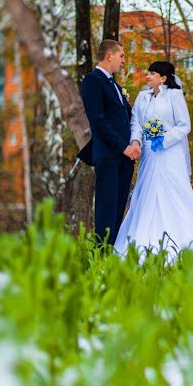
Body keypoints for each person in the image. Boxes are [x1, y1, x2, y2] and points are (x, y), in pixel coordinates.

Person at [114, 61, 193, 262]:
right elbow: (136, 121)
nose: (147, 76)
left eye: (152, 73)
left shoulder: (174, 95)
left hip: (171, 154)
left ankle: (186, 241)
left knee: (174, 193)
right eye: (148, 73)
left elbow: (184, 126)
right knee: (146, 193)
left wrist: (163, 139)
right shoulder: (142, 97)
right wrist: (136, 140)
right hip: (150, 154)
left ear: (163, 78)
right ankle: (144, 241)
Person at [79, 40, 141, 246]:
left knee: (118, 210)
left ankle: (112, 253)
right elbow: (98, 120)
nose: (124, 60)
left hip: (124, 158)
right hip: (108, 155)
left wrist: (136, 141)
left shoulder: (116, 86)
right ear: (109, 56)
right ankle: (101, 255)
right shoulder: (92, 81)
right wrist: (123, 147)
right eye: (121, 56)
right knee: (106, 210)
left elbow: (128, 117)